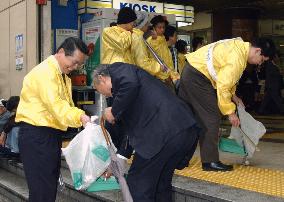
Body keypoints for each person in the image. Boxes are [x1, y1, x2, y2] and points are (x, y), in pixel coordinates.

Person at [93, 63, 199, 202]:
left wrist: (113, 111)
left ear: (102, 79)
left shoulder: (119, 70)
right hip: (182, 131)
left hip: (163, 133)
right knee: (160, 185)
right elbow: (129, 131)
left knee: (137, 184)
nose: (106, 95)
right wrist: (120, 158)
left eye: (100, 91)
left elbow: (130, 82)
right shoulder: (128, 93)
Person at [179, 37, 276, 172]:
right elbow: (223, 86)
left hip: (191, 71)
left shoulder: (239, 46)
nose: (259, 64)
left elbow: (224, 77)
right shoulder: (237, 58)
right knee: (211, 118)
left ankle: (180, 158)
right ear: (258, 51)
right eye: (261, 60)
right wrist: (230, 113)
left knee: (190, 120)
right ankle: (210, 161)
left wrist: (234, 97)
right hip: (198, 77)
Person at [15, 37, 91, 202]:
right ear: (62, 52)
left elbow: (64, 106)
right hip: (38, 136)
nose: (75, 67)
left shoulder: (61, 74)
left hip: (47, 136)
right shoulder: (46, 73)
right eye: (74, 62)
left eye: (79, 64)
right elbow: (57, 107)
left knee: (47, 189)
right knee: (42, 192)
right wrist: (80, 117)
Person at [147, 15, 180, 88]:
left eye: (163, 27)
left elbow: (167, 60)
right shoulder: (151, 41)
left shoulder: (163, 39)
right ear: (153, 28)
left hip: (168, 77)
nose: (162, 29)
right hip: (159, 79)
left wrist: (170, 75)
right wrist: (165, 77)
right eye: (159, 27)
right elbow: (154, 59)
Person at [131, 12, 164, 79]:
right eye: (147, 23)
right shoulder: (138, 38)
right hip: (139, 75)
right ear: (143, 25)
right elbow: (142, 63)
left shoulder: (133, 35)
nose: (148, 26)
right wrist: (159, 67)